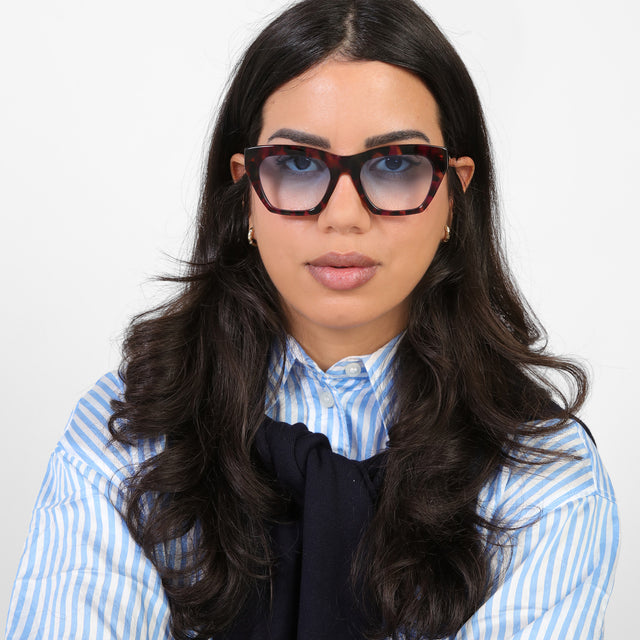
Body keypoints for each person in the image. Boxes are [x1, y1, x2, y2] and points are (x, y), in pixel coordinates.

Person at [5, 0, 619, 638]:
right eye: (299, 164)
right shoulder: (125, 438)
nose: (344, 216)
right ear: (245, 189)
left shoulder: (546, 477)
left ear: (451, 199)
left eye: (395, 164)